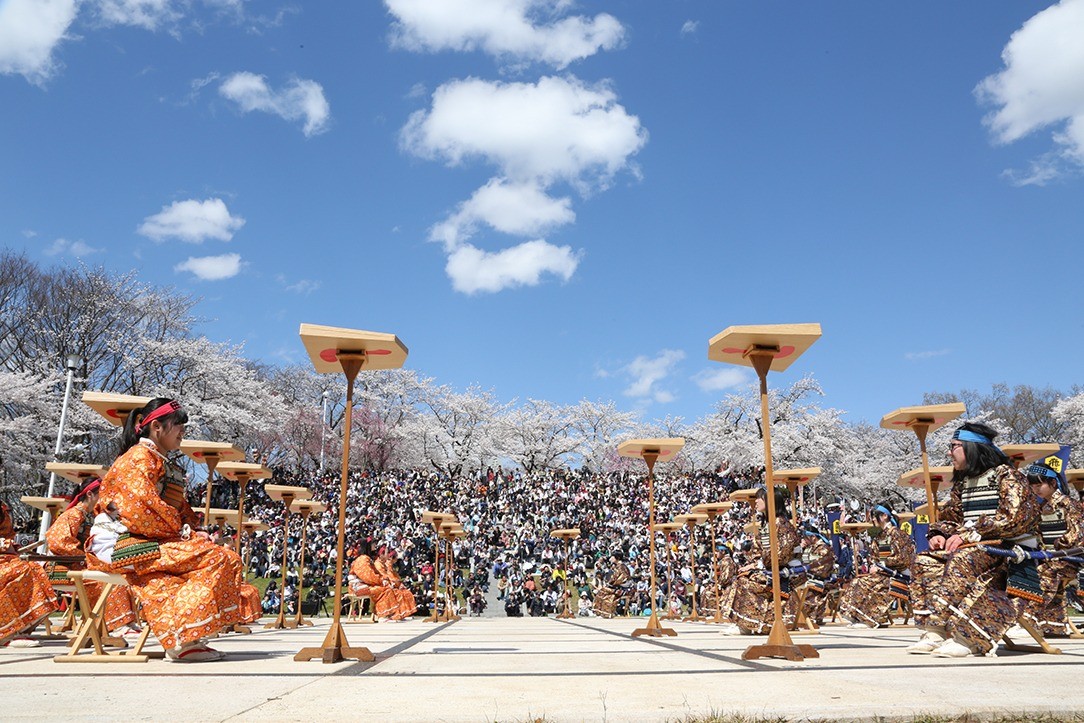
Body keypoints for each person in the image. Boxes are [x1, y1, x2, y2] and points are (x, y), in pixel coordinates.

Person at [96, 398, 245, 662]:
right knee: (216, 558)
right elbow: (141, 509)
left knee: (223, 557)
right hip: (124, 541)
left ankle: (189, 636)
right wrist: (184, 534)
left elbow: (177, 508)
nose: (183, 433)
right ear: (157, 426)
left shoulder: (157, 459)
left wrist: (194, 530)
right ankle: (182, 639)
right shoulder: (138, 458)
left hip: (150, 537)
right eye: (179, 427)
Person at [907, 422, 1041, 658]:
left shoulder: (1007, 476)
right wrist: (939, 534)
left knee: (964, 559)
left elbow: (1015, 518)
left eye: (954, 446)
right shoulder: (963, 483)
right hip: (975, 548)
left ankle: (968, 637)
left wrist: (969, 534)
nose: (949, 452)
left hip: (1008, 551)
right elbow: (952, 517)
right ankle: (936, 630)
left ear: (972, 447)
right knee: (925, 561)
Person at [45, 478, 138, 635]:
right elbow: (58, 542)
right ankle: (116, 625)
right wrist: (84, 556)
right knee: (107, 578)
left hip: (83, 564)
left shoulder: (92, 516)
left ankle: (124, 621)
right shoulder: (73, 515)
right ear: (90, 494)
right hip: (64, 567)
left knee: (119, 572)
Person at [722, 488, 802, 635]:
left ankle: (748, 624)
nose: (757, 501)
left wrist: (757, 565)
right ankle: (744, 622)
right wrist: (752, 564)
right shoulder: (767, 525)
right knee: (740, 576)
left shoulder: (782, 525)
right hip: (770, 568)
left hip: (786, 572)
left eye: (760, 498)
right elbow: (757, 550)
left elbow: (781, 555)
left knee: (746, 582)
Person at [1019, 460, 1083, 636]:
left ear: (1053, 483)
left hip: (1073, 559)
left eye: (1039, 485)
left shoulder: (1069, 504)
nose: (1036, 490)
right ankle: (1052, 625)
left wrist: (1058, 545)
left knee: (1044, 572)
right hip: (1051, 558)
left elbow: (1077, 535)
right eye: (1033, 486)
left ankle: (1028, 615)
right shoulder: (1041, 508)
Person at [838, 503, 914, 628]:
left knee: (869, 583)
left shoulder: (898, 534)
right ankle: (856, 616)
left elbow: (903, 558)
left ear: (884, 516)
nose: (873, 519)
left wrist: (882, 565)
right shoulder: (879, 536)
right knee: (858, 581)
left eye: (875, 516)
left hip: (899, 574)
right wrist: (874, 565)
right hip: (884, 573)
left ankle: (869, 619)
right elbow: (874, 556)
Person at [0, 501, 59, 647]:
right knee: (21, 571)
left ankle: (22, 628)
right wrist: (4, 545)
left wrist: (11, 545)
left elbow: (8, 535)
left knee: (34, 568)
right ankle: (8, 632)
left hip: (6, 558)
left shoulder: (3, 508)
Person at [348, 540, 415, 622]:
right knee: (385, 590)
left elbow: (375, 575)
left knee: (389, 589)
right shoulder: (362, 559)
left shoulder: (366, 558)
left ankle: (392, 615)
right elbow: (368, 576)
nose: (375, 546)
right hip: (357, 588)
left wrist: (383, 580)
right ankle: (383, 616)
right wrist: (382, 581)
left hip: (366, 585)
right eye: (373, 544)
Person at [799, 523, 837, 627]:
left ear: (813, 537)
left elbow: (822, 569)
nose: (804, 540)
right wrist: (800, 550)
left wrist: (805, 571)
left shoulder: (824, 548)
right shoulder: (809, 548)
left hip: (821, 579)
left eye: (805, 538)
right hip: (809, 577)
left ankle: (808, 617)